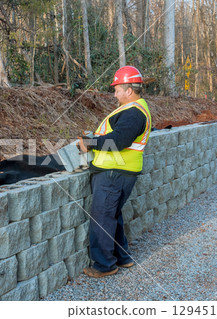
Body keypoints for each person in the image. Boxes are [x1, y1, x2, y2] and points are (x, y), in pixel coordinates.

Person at [77, 66, 152, 278]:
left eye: (117, 89)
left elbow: (118, 141)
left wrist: (90, 143)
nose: (115, 93)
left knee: (102, 217)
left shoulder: (134, 112)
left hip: (115, 173)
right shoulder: (133, 109)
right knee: (112, 215)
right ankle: (123, 257)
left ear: (129, 90)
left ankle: (104, 265)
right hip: (119, 171)